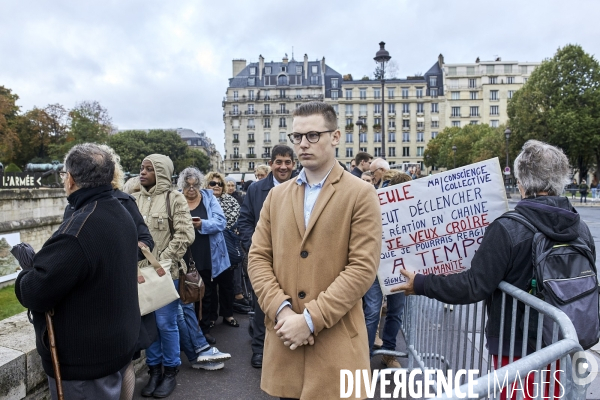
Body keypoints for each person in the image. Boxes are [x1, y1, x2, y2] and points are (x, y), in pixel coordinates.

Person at [392, 140, 595, 400]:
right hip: (567, 341)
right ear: (561, 179)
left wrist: (420, 283)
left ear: (521, 182)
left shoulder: (508, 228)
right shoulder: (581, 228)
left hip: (516, 347)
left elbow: (473, 285)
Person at [248, 102, 382, 399]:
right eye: (297, 137)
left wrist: (310, 320)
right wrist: (282, 311)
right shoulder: (275, 196)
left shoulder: (361, 193)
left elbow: (362, 269)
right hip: (286, 341)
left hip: (335, 345)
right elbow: (258, 258)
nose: (303, 144)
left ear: (335, 137)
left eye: (312, 135)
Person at [16, 143, 140, 400]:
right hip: (114, 346)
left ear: (70, 179)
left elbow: (34, 292)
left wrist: (25, 274)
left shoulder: (78, 230)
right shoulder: (119, 211)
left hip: (86, 364)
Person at [62, 145, 154, 400]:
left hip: (117, 293)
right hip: (91, 300)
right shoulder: (73, 206)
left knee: (124, 361)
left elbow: (146, 240)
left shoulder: (124, 202)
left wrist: (118, 255)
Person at [134, 154, 195, 398]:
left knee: (166, 324)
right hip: (140, 275)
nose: (143, 172)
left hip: (165, 273)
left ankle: (170, 371)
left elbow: (185, 234)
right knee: (149, 326)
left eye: (149, 169)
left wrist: (162, 262)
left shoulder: (175, 198)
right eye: (142, 168)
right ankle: (154, 371)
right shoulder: (134, 199)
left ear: (161, 173)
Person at [238, 144, 295, 369]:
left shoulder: (303, 185)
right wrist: (255, 248)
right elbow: (245, 221)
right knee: (262, 305)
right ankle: (260, 350)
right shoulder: (256, 189)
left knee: (291, 302)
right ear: (271, 164)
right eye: (278, 162)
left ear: (293, 164)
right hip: (264, 259)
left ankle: (288, 346)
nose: (283, 167)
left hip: (293, 258)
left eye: (287, 162)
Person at [176, 167, 232, 371]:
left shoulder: (209, 198)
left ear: (200, 185)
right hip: (184, 252)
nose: (191, 189)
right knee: (187, 292)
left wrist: (202, 225)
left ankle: (205, 328)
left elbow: (221, 222)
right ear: (182, 185)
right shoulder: (176, 198)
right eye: (187, 185)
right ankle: (194, 333)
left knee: (205, 289)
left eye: (195, 185)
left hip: (206, 249)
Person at [363, 173, 411, 368]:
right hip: (377, 267)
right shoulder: (376, 205)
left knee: (394, 311)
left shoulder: (413, 209)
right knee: (373, 311)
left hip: (400, 268)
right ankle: (363, 355)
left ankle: (389, 354)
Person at [200, 172, 240, 333]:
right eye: (212, 183)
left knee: (226, 283)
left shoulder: (231, 201)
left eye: (219, 184)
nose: (216, 186)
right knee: (209, 285)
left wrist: (208, 225)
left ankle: (228, 314)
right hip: (207, 247)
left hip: (226, 247)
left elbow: (224, 223)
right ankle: (210, 317)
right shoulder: (203, 200)